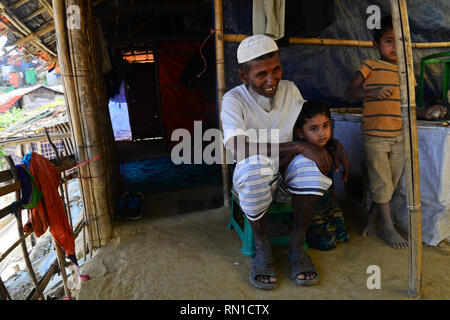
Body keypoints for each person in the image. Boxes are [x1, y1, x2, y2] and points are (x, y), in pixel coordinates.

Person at [221, 34, 350, 289]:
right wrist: (297, 146)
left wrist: (333, 144)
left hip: (287, 177)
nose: (272, 80)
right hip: (255, 183)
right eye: (261, 74)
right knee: (254, 167)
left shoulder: (290, 89)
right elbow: (238, 148)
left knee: (313, 166)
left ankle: (296, 245)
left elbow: (307, 129)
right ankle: (261, 246)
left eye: (276, 69)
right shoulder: (233, 100)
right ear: (243, 76)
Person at [345, 16, 446, 249]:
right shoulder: (370, 65)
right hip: (375, 137)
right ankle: (388, 226)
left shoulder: (407, 73)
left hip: (400, 137)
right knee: (381, 182)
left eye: (401, 42)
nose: (395, 47)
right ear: (376, 44)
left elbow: (411, 108)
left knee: (389, 182)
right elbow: (350, 91)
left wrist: (427, 112)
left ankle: (371, 217)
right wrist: (372, 93)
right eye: (389, 41)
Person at [294, 101, 350, 251]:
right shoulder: (300, 157)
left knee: (342, 235)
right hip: (311, 209)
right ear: (300, 133)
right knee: (327, 243)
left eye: (325, 126)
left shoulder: (332, 148)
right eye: (313, 129)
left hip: (329, 203)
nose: (321, 133)